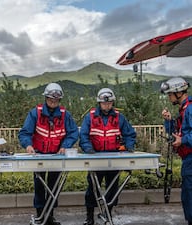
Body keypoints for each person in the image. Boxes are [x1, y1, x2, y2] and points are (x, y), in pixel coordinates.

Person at [18, 82, 79, 225]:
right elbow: (25, 133)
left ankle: (50, 216)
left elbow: (73, 132)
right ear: (45, 98)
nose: (53, 102)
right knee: (39, 185)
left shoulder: (65, 115)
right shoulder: (35, 113)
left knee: (54, 186)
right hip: (38, 155)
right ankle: (40, 215)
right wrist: (28, 146)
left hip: (57, 156)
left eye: (56, 100)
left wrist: (65, 146)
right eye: (51, 99)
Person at [79, 88, 136, 225]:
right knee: (92, 188)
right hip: (95, 158)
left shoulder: (119, 117)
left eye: (109, 103)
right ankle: (90, 217)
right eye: (104, 103)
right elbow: (84, 136)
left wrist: (129, 146)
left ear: (112, 103)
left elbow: (129, 134)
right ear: (99, 103)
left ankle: (108, 213)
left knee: (113, 188)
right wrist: (88, 149)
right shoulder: (90, 117)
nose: (107, 106)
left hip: (114, 158)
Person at [160, 77, 192, 225]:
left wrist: (183, 140)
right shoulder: (184, 110)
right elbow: (177, 131)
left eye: (170, 94)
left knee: (190, 196)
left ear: (178, 92)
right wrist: (168, 121)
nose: (169, 97)